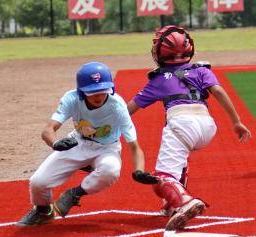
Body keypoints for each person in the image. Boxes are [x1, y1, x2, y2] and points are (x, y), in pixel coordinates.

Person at [127, 25, 251, 231]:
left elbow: (129, 109)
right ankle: (171, 203)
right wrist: (236, 121)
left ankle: (185, 202)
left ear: (159, 53)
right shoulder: (201, 70)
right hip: (207, 125)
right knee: (178, 160)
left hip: (181, 124)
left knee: (160, 179)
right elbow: (219, 92)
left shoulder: (158, 80)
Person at [17, 61, 155, 226]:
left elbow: (135, 147)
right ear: (81, 92)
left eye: (103, 91)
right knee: (38, 182)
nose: (99, 96)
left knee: (110, 170)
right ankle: (43, 210)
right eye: (92, 92)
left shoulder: (117, 106)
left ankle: (75, 194)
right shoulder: (72, 99)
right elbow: (48, 130)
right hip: (78, 143)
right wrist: (56, 144)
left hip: (107, 148)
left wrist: (139, 171)